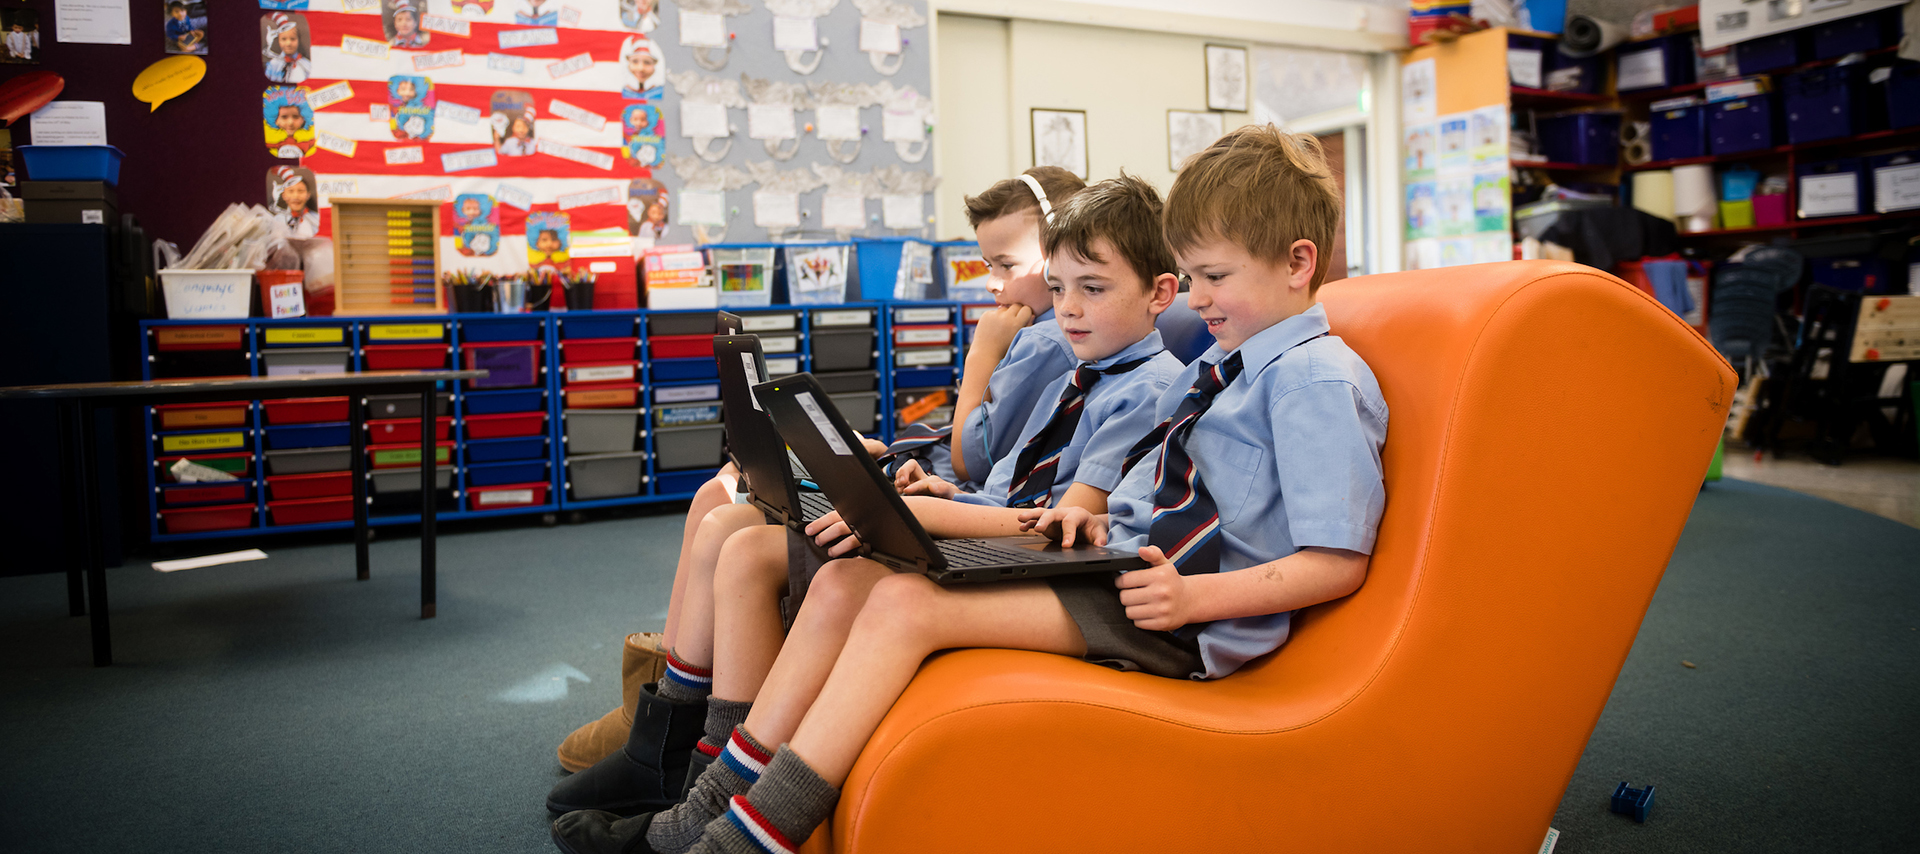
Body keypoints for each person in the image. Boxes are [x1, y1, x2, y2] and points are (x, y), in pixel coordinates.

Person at [548, 125, 1387, 854]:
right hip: (1114, 565)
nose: (1196, 300)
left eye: (1212, 278)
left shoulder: (1312, 380)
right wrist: (1058, 523)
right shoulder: (1219, 363)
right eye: (1193, 278)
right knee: (846, 578)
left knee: (905, 606)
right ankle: (700, 810)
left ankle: (734, 843)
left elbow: (1336, 560)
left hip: (1177, 613)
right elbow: (1122, 494)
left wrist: (1192, 600)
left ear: (1296, 263)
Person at [271, 166, 319, 239]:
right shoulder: (277, 220)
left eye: (301, 191)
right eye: (291, 191)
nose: (296, 196)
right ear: (284, 195)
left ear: (308, 195)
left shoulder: (315, 219)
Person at [263, 13, 309, 83]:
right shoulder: (273, 65)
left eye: (292, 39)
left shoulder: (306, 65)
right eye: (284, 39)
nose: (288, 44)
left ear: (298, 40)